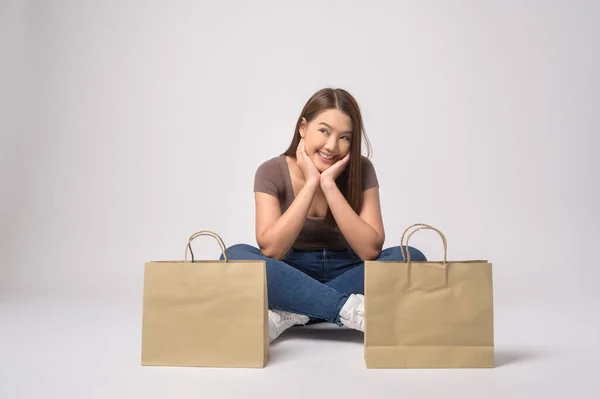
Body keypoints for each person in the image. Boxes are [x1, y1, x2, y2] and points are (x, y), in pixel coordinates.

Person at [220, 88, 427, 342]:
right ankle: (345, 309)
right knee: (232, 256)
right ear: (303, 128)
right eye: (324, 131)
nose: (332, 146)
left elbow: (370, 251)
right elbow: (271, 250)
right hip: (290, 272)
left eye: (344, 138)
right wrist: (310, 185)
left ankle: (294, 311)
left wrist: (328, 185)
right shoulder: (270, 171)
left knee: (411, 257)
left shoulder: (362, 169)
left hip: (350, 271)